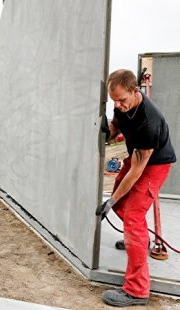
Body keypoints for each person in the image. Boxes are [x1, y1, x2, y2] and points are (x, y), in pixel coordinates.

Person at [96, 69, 176, 307]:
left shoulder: (149, 121)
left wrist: (109, 201)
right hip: (137, 158)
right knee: (121, 203)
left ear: (135, 90)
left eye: (122, 100)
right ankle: (138, 242)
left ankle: (137, 290)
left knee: (132, 216)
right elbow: (116, 126)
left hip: (153, 166)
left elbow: (137, 172)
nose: (118, 105)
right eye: (114, 101)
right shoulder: (121, 103)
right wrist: (106, 133)